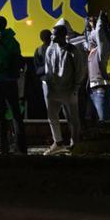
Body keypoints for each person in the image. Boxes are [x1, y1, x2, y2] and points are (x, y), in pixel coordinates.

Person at [42, 20, 86, 155]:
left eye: (54, 35)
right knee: (52, 116)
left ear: (62, 36)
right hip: (54, 90)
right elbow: (48, 69)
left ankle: (75, 143)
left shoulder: (73, 51)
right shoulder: (50, 49)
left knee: (73, 118)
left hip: (68, 90)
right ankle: (58, 142)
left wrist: (76, 88)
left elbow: (80, 71)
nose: (51, 37)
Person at [0, 16, 27, 154]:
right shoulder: (14, 41)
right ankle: (21, 147)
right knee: (16, 114)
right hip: (12, 80)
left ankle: (3, 147)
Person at [86, 12, 110, 128]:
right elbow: (89, 36)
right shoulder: (92, 52)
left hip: (100, 89)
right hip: (94, 89)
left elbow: (99, 33)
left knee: (105, 121)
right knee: (99, 122)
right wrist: (88, 24)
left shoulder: (101, 51)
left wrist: (100, 21)